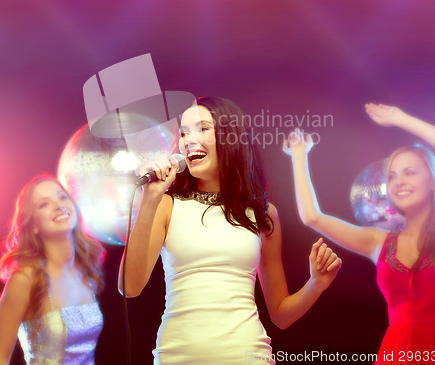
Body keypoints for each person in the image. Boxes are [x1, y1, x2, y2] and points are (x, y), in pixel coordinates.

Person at [119, 96, 342, 364]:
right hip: (177, 358)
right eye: (184, 132)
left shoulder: (263, 214)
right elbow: (129, 287)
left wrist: (316, 284)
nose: (189, 140)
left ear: (230, 137)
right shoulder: (166, 205)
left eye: (203, 129)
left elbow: (281, 315)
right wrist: (150, 198)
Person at [284, 103, 435, 364]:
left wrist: (402, 118)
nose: (399, 181)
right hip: (395, 354)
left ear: (433, 180)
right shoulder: (378, 241)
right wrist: (299, 155)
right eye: (393, 175)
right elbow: (312, 217)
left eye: (410, 172)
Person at [0, 174, 105, 365]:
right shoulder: (25, 279)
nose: (59, 205)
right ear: (33, 225)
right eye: (44, 204)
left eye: (62, 197)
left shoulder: (86, 270)